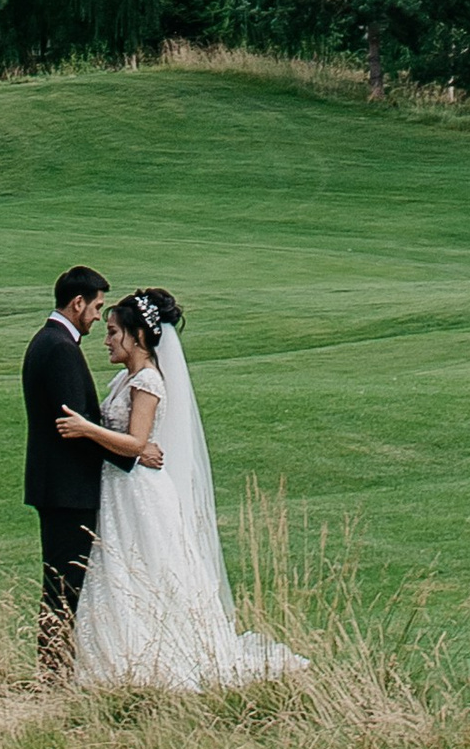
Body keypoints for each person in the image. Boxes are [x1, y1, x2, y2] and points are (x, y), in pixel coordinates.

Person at [58, 288, 305, 689]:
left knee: (148, 569)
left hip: (137, 491)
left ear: (137, 336)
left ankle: (153, 659)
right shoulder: (126, 378)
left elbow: (137, 442)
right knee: (120, 570)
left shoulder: (149, 381)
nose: (105, 341)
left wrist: (86, 430)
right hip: (119, 490)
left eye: (114, 332)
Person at [21, 268, 158, 677]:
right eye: (97, 307)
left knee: (64, 586)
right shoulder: (59, 347)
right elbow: (74, 425)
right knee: (64, 590)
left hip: (61, 487)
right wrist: (135, 452)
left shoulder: (53, 341)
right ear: (77, 302)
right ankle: (54, 677)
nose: (99, 317)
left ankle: (58, 673)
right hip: (66, 490)